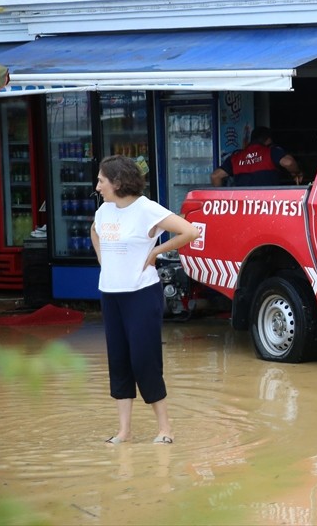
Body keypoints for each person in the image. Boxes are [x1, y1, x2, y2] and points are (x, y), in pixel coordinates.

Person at [91, 154, 200, 445]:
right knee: (119, 360)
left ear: (116, 182)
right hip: (110, 294)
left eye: (101, 181)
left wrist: (154, 253)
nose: (98, 186)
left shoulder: (146, 209)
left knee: (144, 360)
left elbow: (190, 231)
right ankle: (124, 431)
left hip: (141, 294)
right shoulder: (104, 211)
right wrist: (105, 261)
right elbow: (94, 232)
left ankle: (165, 429)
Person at [210, 126, 302, 186]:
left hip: (243, 207)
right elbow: (289, 163)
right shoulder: (270, 151)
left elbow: (215, 176)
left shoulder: (235, 157)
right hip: (267, 205)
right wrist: (296, 173)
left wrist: (222, 199)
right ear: (268, 140)